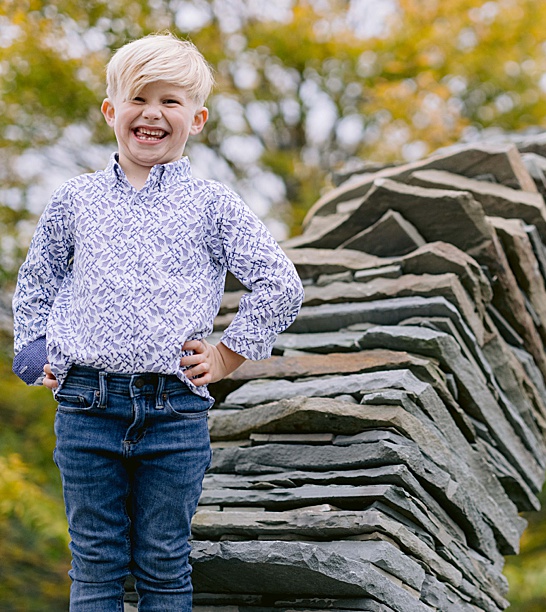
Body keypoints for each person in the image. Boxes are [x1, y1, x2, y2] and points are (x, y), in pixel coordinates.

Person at [11, 33, 303, 611]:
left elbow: (281, 284)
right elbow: (38, 278)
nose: (152, 114)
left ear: (196, 119)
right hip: (86, 406)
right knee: (95, 563)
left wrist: (227, 354)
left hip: (175, 413)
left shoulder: (213, 203)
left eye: (170, 102)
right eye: (139, 100)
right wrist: (33, 345)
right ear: (110, 111)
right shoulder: (75, 199)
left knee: (164, 562)